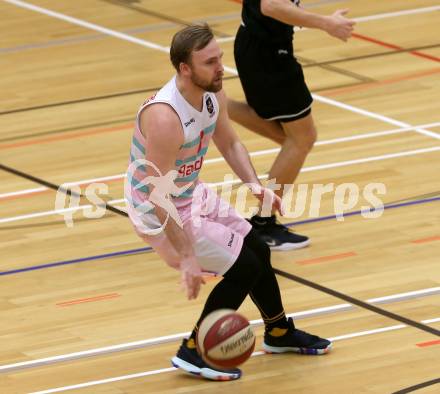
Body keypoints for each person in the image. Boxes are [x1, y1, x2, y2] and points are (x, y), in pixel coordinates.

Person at [124, 24, 331, 382]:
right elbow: (159, 195)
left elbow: (230, 143)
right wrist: (187, 256)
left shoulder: (211, 92)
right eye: (210, 62)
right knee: (244, 267)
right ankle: (194, 349)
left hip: (188, 191)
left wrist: (255, 186)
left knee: (257, 249)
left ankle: (279, 332)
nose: (221, 67)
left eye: (219, 58)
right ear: (184, 69)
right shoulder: (165, 117)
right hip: (158, 210)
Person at [228, 0, 355, 251]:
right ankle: (263, 223)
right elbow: (271, 5)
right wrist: (326, 23)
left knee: (295, 141)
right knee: (302, 139)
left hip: (262, 50)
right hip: (268, 57)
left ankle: (219, 104)